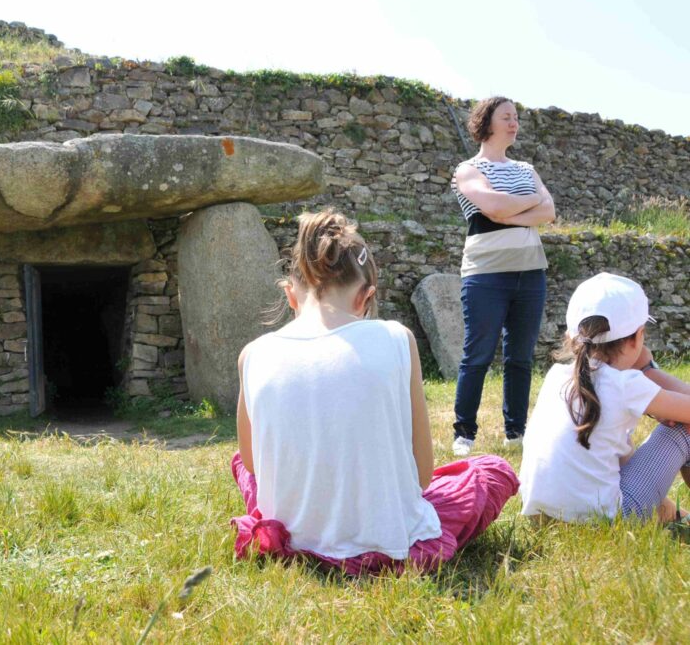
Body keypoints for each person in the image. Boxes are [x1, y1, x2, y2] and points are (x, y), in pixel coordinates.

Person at [230, 208, 519, 575]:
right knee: (491, 470)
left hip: (294, 535)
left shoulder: (253, 354)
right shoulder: (397, 338)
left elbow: (254, 464)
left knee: (241, 460)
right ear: (365, 297)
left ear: (290, 295)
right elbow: (422, 475)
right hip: (389, 543)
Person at [519, 273, 690, 523]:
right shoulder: (626, 384)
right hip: (605, 519)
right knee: (685, 429)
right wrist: (649, 369)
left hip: (542, 517)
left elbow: (620, 463)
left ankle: (681, 521)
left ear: (571, 337)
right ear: (637, 338)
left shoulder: (557, 376)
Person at [450, 96, 557, 456]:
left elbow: (550, 211)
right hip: (485, 276)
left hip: (531, 274)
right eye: (506, 117)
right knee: (477, 355)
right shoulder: (467, 169)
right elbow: (492, 206)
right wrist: (524, 204)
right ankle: (464, 432)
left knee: (520, 358)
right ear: (487, 122)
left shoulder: (526, 168)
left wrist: (507, 213)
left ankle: (516, 431)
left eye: (516, 118)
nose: (514, 123)